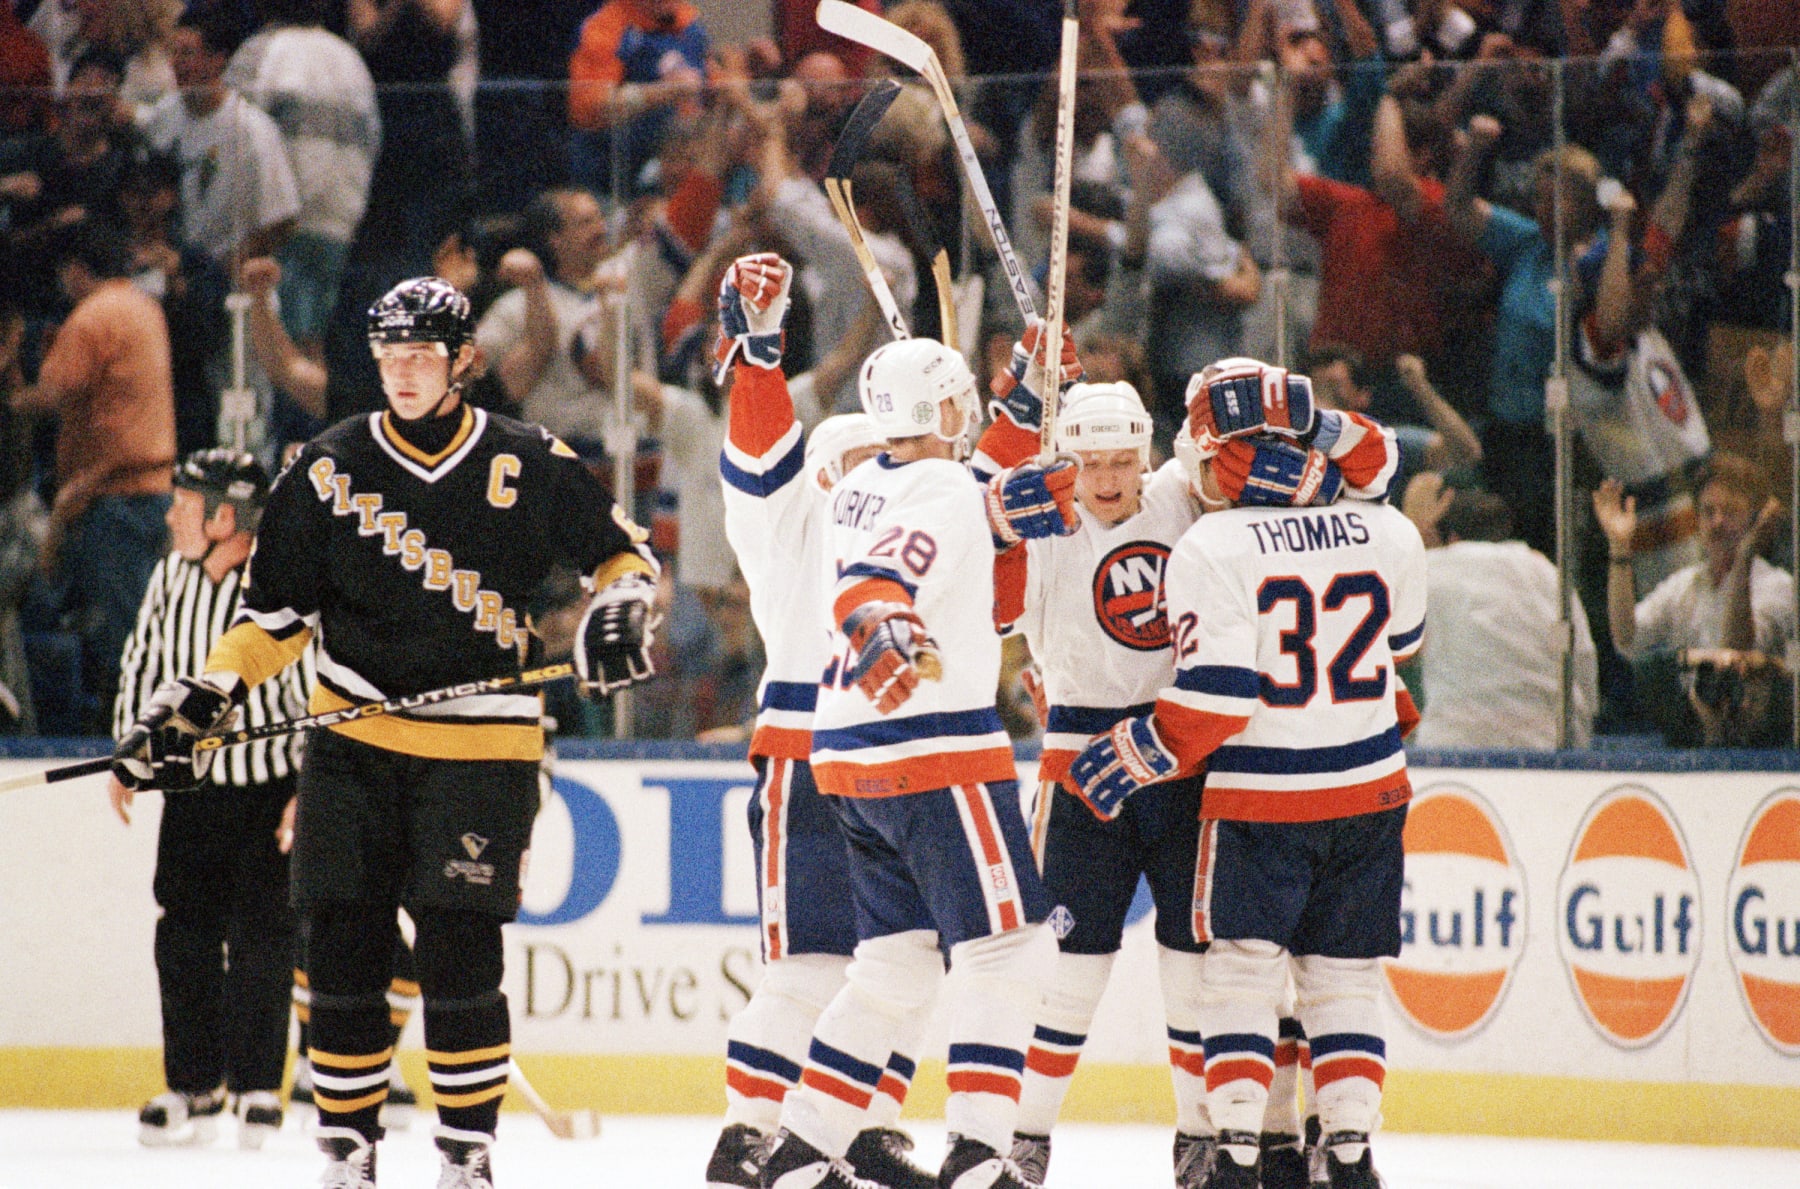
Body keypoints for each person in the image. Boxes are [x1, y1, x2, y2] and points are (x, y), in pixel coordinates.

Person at [110, 275, 661, 1189]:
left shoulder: (526, 458)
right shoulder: (327, 467)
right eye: (389, 357)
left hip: (481, 752)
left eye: (420, 357)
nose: (402, 373)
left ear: (463, 360)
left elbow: (622, 554)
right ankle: (347, 1150)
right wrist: (209, 692)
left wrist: (622, 604)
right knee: (342, 954)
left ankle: (466, 1154)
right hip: (353, 749)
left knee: (458, 953)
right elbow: (274, 618)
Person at [1066, 376, 1427, 1189]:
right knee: (1344, 980)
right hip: (1371, 792)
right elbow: (1400, 646)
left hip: (1264, 796)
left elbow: (1217, 699)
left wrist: (1132, 753)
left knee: (1240, 969)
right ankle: (1348, 1149)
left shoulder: (1212, 546)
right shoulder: (1388, 528)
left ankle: (1234, 1148)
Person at [757, 332, 1072, 1189]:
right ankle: (978, 1152)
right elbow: (878, 578)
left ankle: (801, 1146)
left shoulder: (861, 484)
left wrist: (1020, 439)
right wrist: (885, 624)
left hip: (844, 754)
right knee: (1011, 951)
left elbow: (959, 513)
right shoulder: (942, 487)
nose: (970, 410)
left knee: (893, 966)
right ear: (940, 409)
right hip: (932, 746)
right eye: (963, 398)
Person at [707, 251, 934, 1189]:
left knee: (906, 958)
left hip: (900, 760)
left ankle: (867, 1121)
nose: (866, 479)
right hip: (805, 756)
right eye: (848, 464)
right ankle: (749, 1134)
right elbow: (762, 450)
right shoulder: (786, 521)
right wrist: (760, 354)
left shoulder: (913, 531)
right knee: (808, 964)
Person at [108, 449, 307, 1150]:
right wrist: (131, 748)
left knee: (262, 938)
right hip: (192, 792)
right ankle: (194, 1083)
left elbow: (311, 696)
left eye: (184, 504)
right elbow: (143, 662)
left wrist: (306, 791)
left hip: (269, 792)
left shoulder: (277, 589)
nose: (170, 516)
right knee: (184, 933)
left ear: (226, 518)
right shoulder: (172, 575)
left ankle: (257, 1086)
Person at [10, 215, 177, 733]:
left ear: (76, 270)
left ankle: (130, 732)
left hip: (113, 494)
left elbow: (51, 393)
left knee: (121, 632)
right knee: (144, 621)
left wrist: (13, 391)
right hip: (153, 488)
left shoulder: (91, 317)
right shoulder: (145, 307)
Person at [1595, 451, 1793, 747]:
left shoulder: (1777, 586)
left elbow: (1736, 654)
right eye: (1708, 511)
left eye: (1730, 512)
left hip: (1759, 749)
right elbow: (1627, 638)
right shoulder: (1684, 585)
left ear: (1754, 519)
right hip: (1695, 740)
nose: (1717, 522)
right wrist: (1620, 547)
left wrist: (1745, 558)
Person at [1404, 476, 1598, 748]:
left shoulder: (1430, 568)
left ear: (1451, 535)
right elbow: (1583, 660)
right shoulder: (1548, 573)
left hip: (1454, 750)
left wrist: (1417, 533)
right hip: (1548, 746)